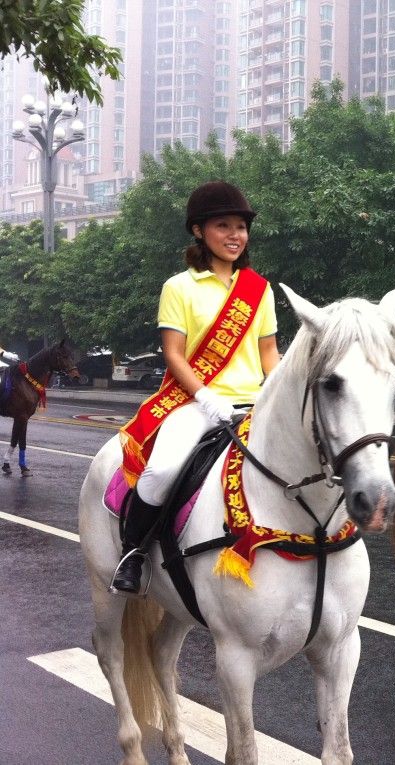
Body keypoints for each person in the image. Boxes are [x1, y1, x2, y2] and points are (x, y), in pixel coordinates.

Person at [110, 181, 280, 595]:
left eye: (241, 226)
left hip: (254, 403)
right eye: (224, 225)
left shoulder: (259, 290)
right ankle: (132, 552)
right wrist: (206, 397)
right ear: (199, 231)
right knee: (164, 469)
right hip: (194, 402)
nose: (235, 235)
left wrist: (279, 397)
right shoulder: (179, 287)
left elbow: (270, 354)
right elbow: (174, 355)